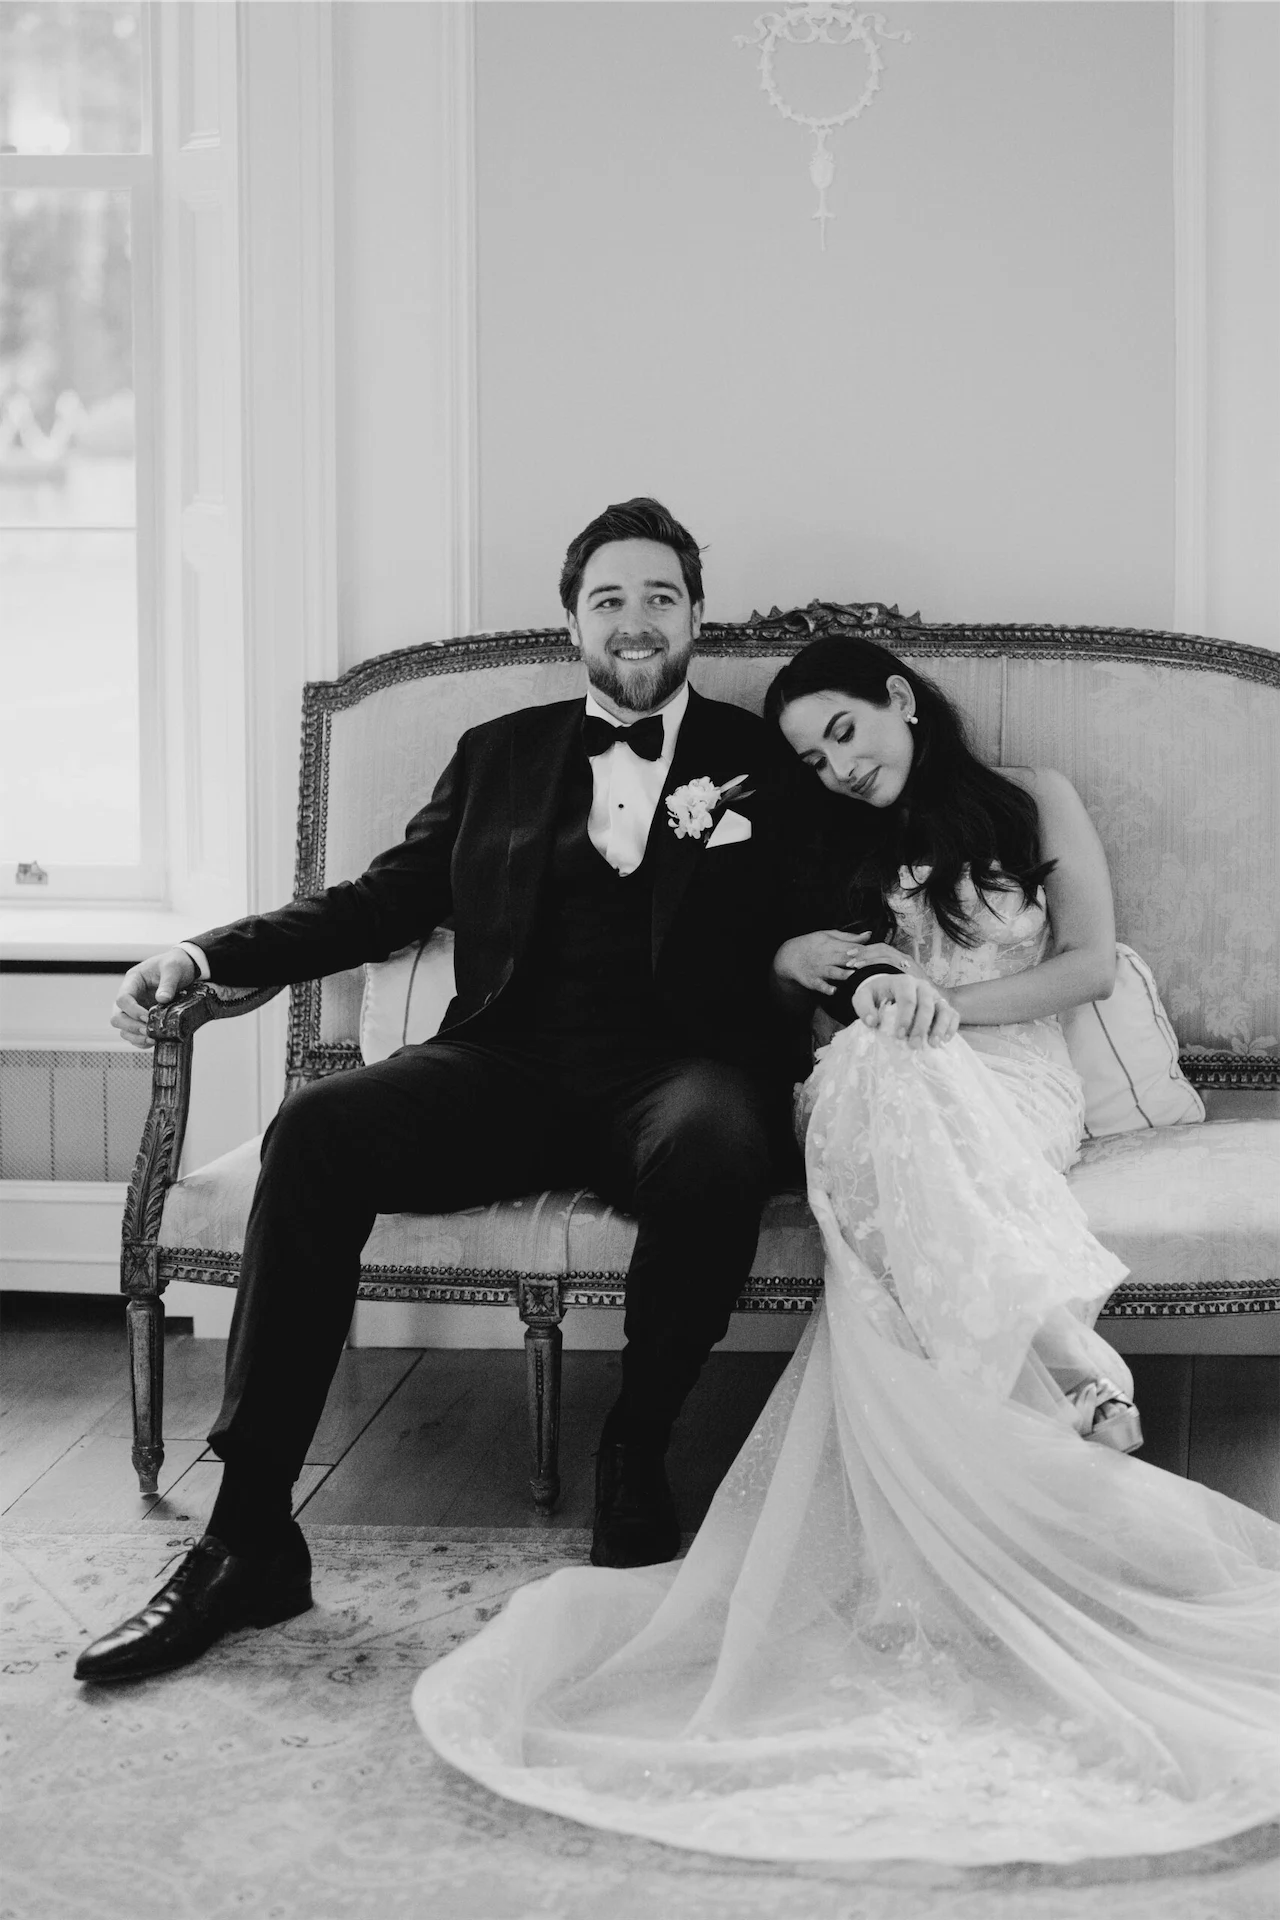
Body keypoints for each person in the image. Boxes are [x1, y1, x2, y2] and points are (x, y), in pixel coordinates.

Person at [412, 634, 1280, 1867]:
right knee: (875, 1065)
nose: (836, 767)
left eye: (843, 732)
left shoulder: (1033, 798)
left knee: (901, 1070)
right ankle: (1058, 1353)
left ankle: (1041, 1367)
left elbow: (1086, 963)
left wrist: (940, 1006)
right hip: (871, 1079)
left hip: (1009, 1076)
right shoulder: (816, 838)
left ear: (898, 699)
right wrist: (791, 966)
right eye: (810, 757)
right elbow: (760, 984)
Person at [77, 503, 941, 1687]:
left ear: (695, 616)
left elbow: (831, 911)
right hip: (507, 1064)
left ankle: (635, 1448)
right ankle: (250, 1533)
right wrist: (203, 954)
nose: (634, 621)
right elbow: (378, 903)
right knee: (316, 1126)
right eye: (608, 599)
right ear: (572, 621)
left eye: (659, 598)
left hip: (678, 1071)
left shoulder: (761, 764)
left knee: (714, 1136)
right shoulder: (496, 752)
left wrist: (869, 974)